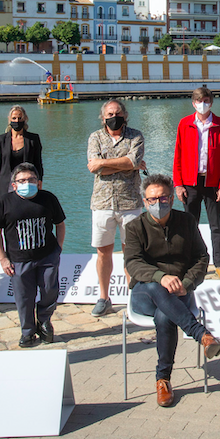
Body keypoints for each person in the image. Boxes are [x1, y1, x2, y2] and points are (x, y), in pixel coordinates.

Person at [124, 174, 220, 407]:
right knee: (154, 286)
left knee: (165, 315)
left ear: (171, 199)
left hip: (180, 292)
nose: (157, 203)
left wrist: (187, 284)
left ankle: (163, 380)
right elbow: (134, 264)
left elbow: (201, 258)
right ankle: (201, 334)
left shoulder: (187, 222)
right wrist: (161, 277)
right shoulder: (134, 227)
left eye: (162, 198)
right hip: (144, 293)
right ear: (144, 201)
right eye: (152, 199)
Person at [0, 163, 67, 348]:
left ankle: (44, 321)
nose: (27, 183)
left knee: (49, 290)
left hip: (47, 256)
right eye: (22, 180)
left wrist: (58, 249)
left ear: (38, 183)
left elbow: (60, 224)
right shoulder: (4, 202)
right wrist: (3, 258)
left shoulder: (48, 198)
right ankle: (28, 332)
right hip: (18, 261)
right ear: (14, 184)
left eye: (31, 180)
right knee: (24, 298)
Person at [87, 99, 147, 317]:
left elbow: (133, 161)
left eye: (118, 112)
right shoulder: (95, 137)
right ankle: (104, 297)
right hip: (102, 203)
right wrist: (125, 164)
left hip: (130, 202)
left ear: (125, 114)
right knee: (103, 252)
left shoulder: (136, 135)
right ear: (103, 118)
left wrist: (104, 163)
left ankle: (135, 297)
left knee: (131, 252)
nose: (114, 117)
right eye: (110, 114)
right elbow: (93, 167)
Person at [173, 86, 220, 280]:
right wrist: (178, 184)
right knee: (190, 224)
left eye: (206, 101)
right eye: (199, 101)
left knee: (216, 225)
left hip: (213, 182)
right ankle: (189, 262)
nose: (202, 104)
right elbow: (178, 156)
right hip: (190, 182)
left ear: (211, 102)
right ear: (193, 103)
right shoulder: (184, 124)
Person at [0, 105, 44, 204]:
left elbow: (38, 164)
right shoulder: (1, 140)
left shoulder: (33, 139)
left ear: (25, 119)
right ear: (9, 119)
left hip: (27, 184)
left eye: (20, 118)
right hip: (6, 185)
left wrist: (39, 185)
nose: (17, 121)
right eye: (14, 118)